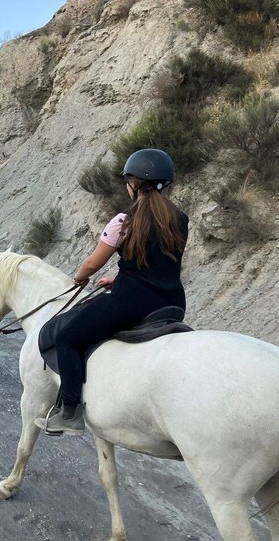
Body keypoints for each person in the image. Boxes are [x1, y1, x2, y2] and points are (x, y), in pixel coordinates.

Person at [35, 148, 188, 436]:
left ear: (134, 184)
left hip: (130, 303)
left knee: (67, 338)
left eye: (128, 181)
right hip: (172, 301)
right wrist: (118, 279)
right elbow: (157, 265)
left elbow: (93, 262)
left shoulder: (123, 221)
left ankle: (70, 413)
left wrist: (80, 277)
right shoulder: (180, 219)